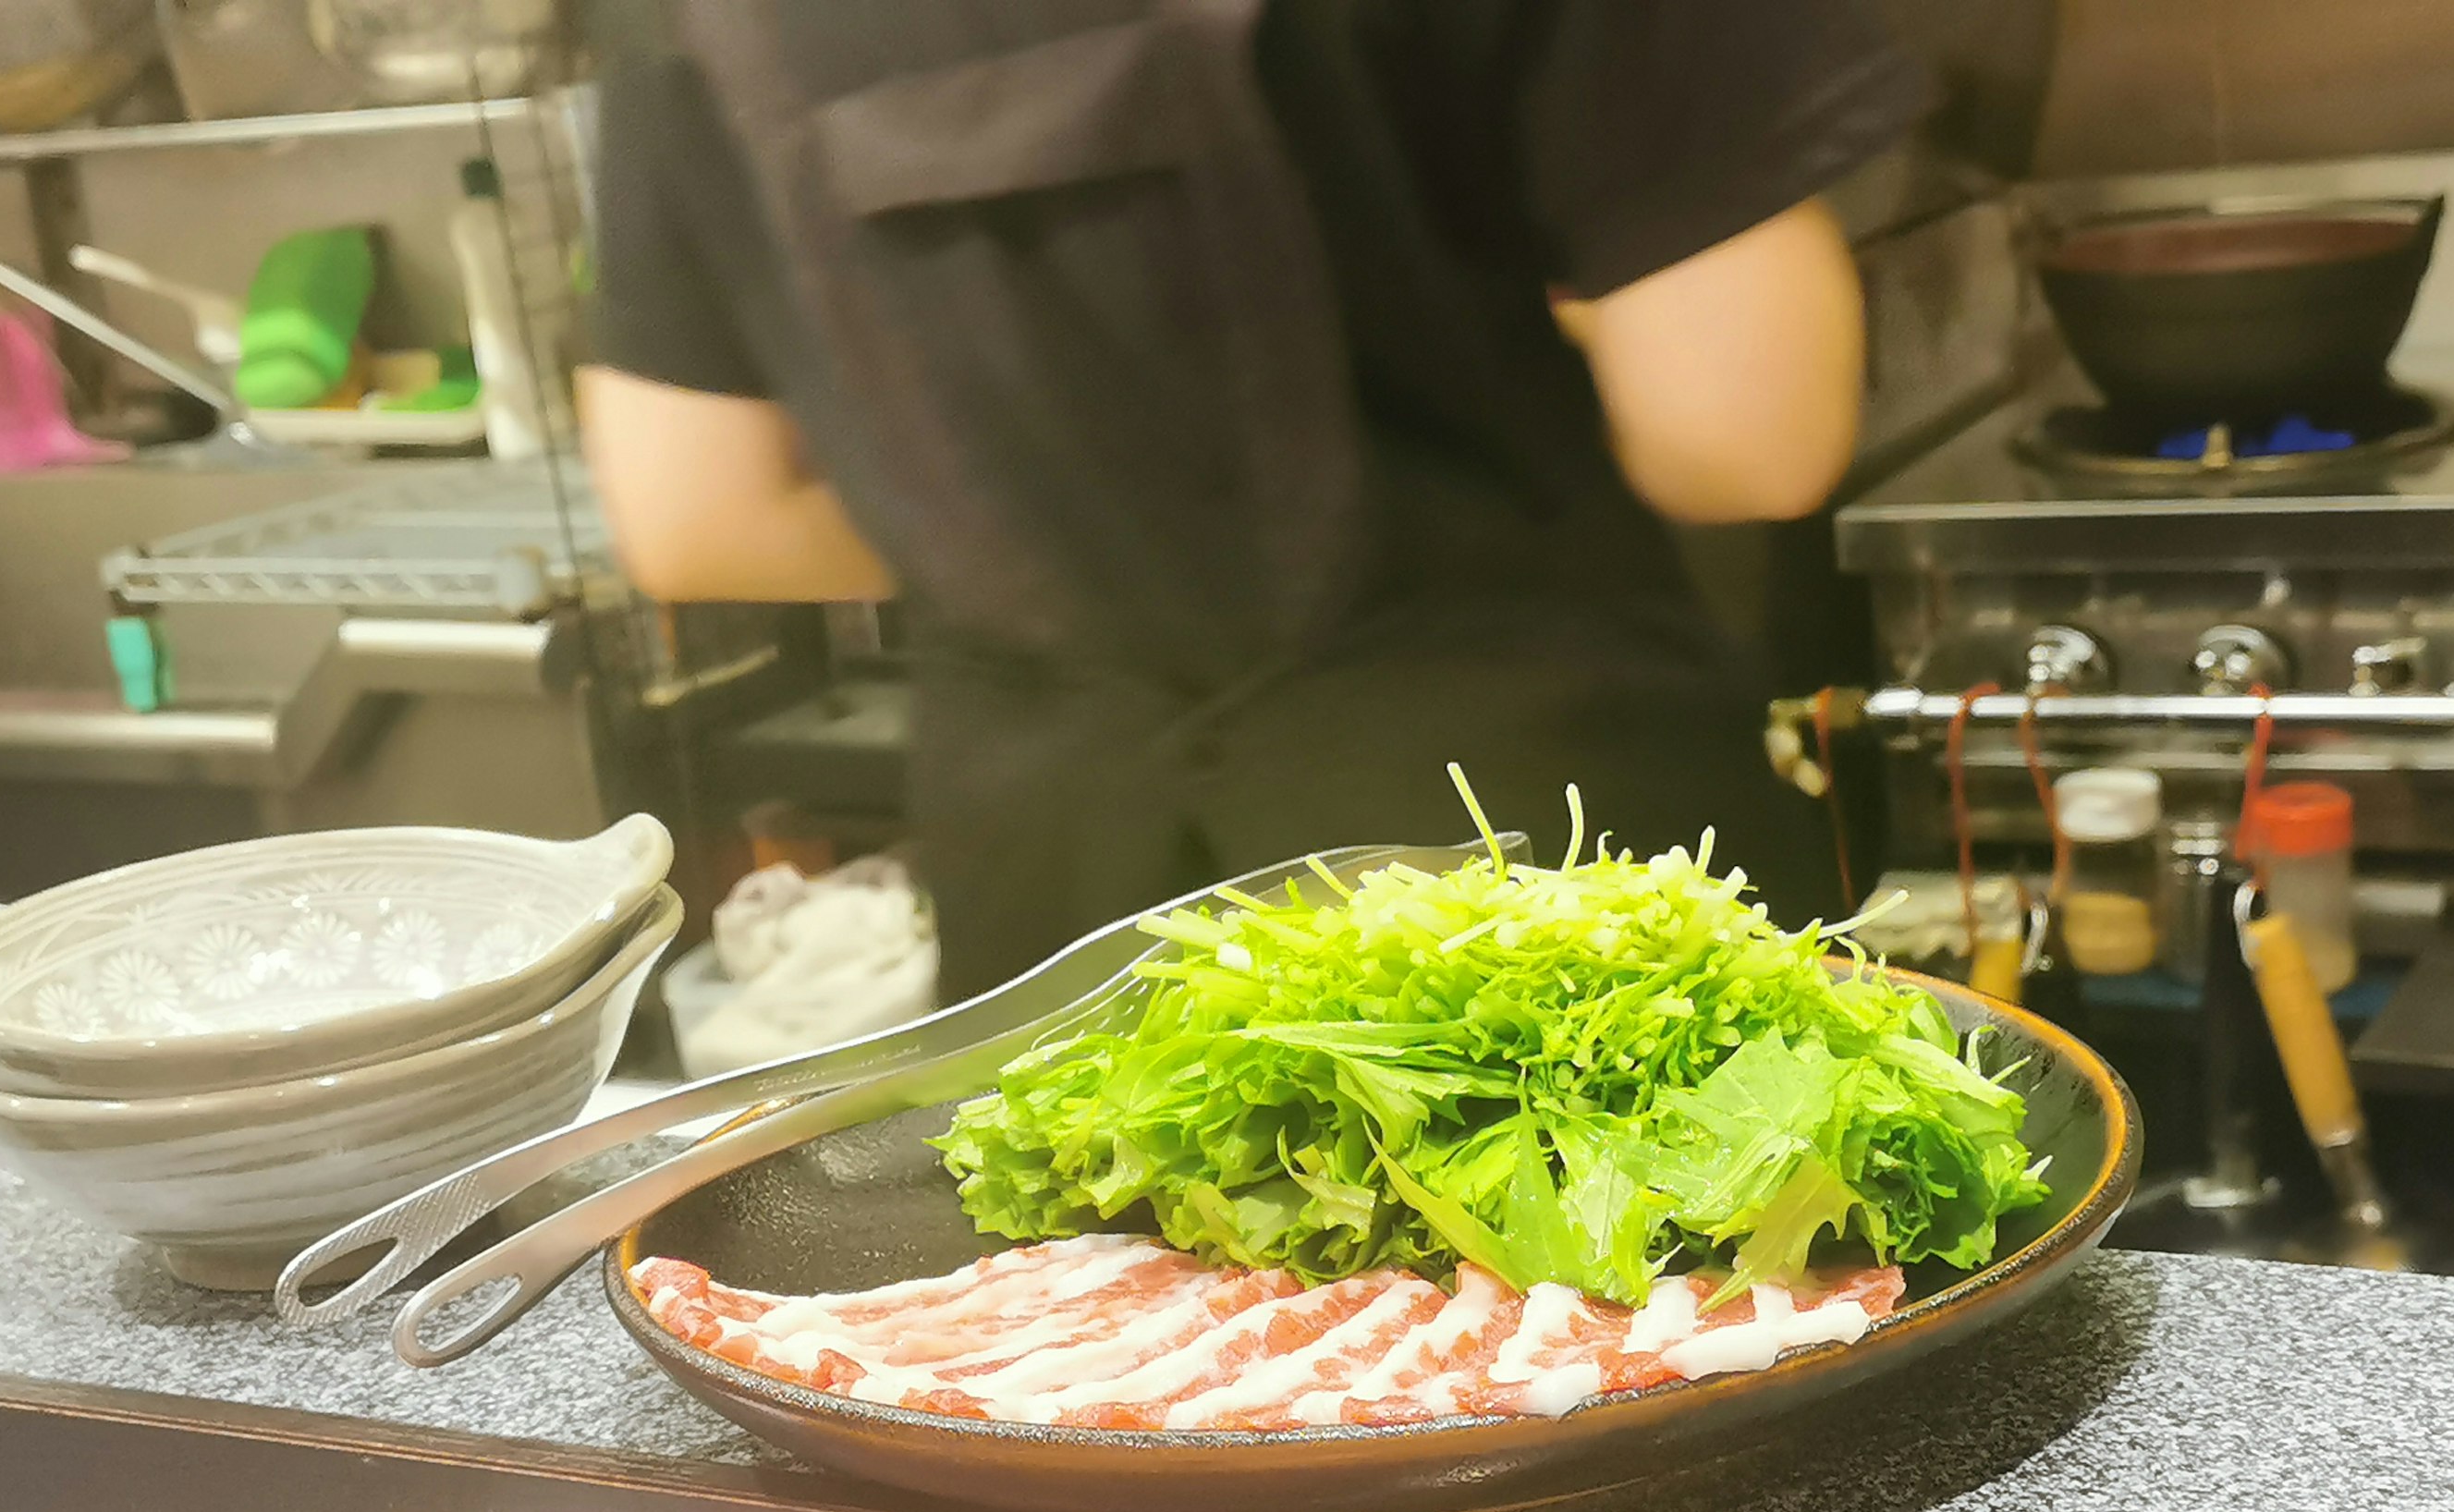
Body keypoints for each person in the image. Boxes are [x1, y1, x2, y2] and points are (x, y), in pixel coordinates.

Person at [581, 0, 1929, 997]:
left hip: (1076, 928)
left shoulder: (676, 26)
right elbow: (1749, 434)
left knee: (1127, 1359)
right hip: (1543, 885)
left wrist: (1058, 542)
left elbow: (696, 516)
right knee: (1684, 1348)